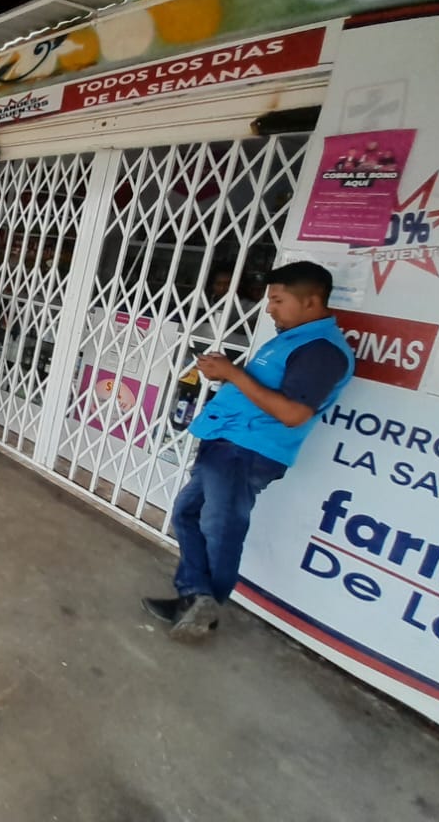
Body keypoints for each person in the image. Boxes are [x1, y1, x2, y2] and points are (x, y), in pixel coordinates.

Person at [142, 261, 354, 642]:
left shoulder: (321, 350)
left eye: (278, 300)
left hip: (246, 451)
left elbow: (293, 413)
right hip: (229, 443)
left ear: (311, 301)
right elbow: (264, 388)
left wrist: (232, 374)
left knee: (219, 529)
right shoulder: (293, 339)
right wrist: (227, 371)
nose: (269, 308)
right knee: (187, 513)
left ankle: (201, 609)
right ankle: (197, 598)